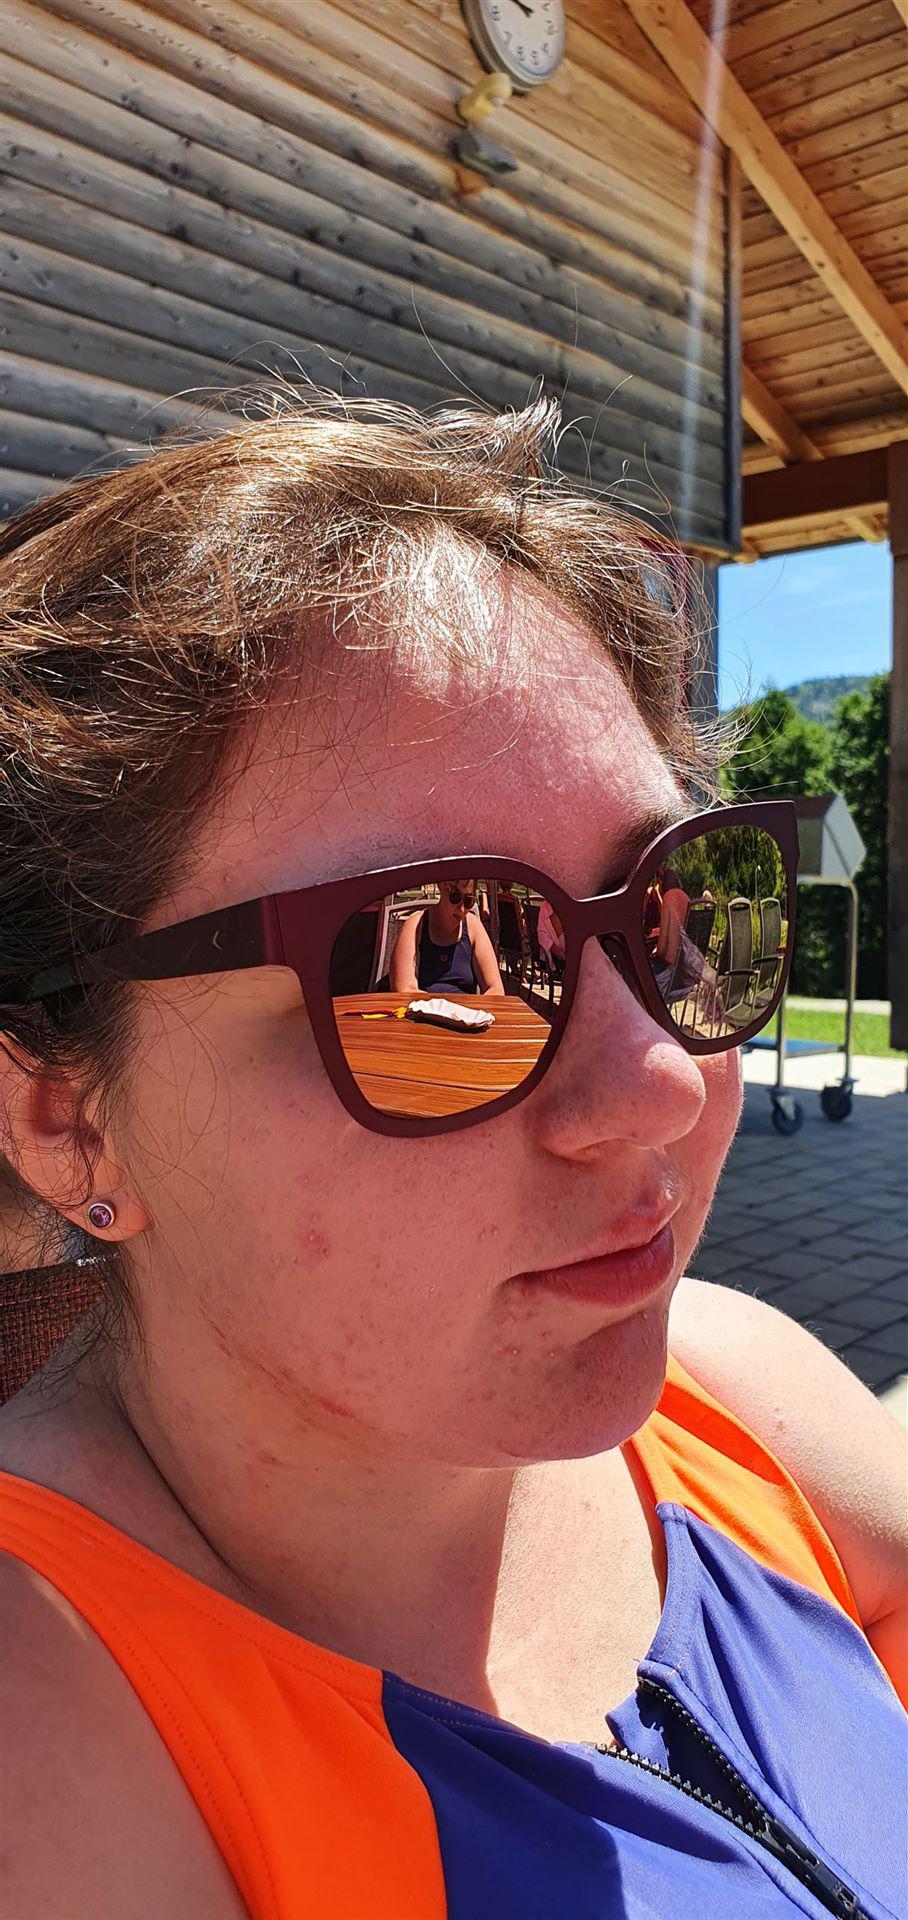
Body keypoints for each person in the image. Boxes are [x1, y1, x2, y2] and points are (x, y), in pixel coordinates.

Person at [0, 395, 904, 1920]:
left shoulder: (732, 1398)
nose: (659, 1085)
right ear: (63, 1117)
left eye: (672, 911)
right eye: (440, 970)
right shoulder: (54, 1720)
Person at [390, 879, 505, 996]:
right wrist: (442, 1005)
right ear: (440, 886)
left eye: (468, 900)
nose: (461, 909)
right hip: (423, 1007)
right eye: (454, 896)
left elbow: (496, 989)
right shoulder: (414, 926)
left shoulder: (473, 927)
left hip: (464, 1008)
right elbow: (404, 991)